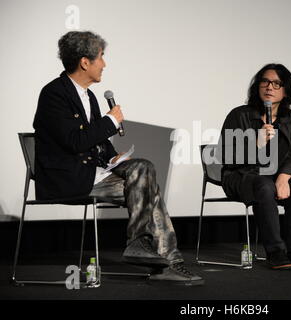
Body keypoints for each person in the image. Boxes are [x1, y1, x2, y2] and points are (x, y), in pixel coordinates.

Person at [33, 31, 203, 285]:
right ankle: (162, 257)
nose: (104, 64)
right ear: (85, 62)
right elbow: (74, 141)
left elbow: (95, 141)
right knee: (147, 183)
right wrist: (111, 120)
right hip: (68, 179)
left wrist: (113, 157)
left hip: (93, 173)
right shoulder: (54, 94)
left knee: (143, 172)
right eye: (101, 57)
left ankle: (155, 255)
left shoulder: (88, 95)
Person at [218, 63, 291, 270]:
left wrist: (283, 178)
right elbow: (227, 155)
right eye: (265, 81)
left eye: (277, 83)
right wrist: (255, 143)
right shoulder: (239, 115)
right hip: (241, 175)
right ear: (258, 86)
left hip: (276, 175)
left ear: (286, 92)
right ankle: (276, 252)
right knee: (263, 186)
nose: (270, 87)